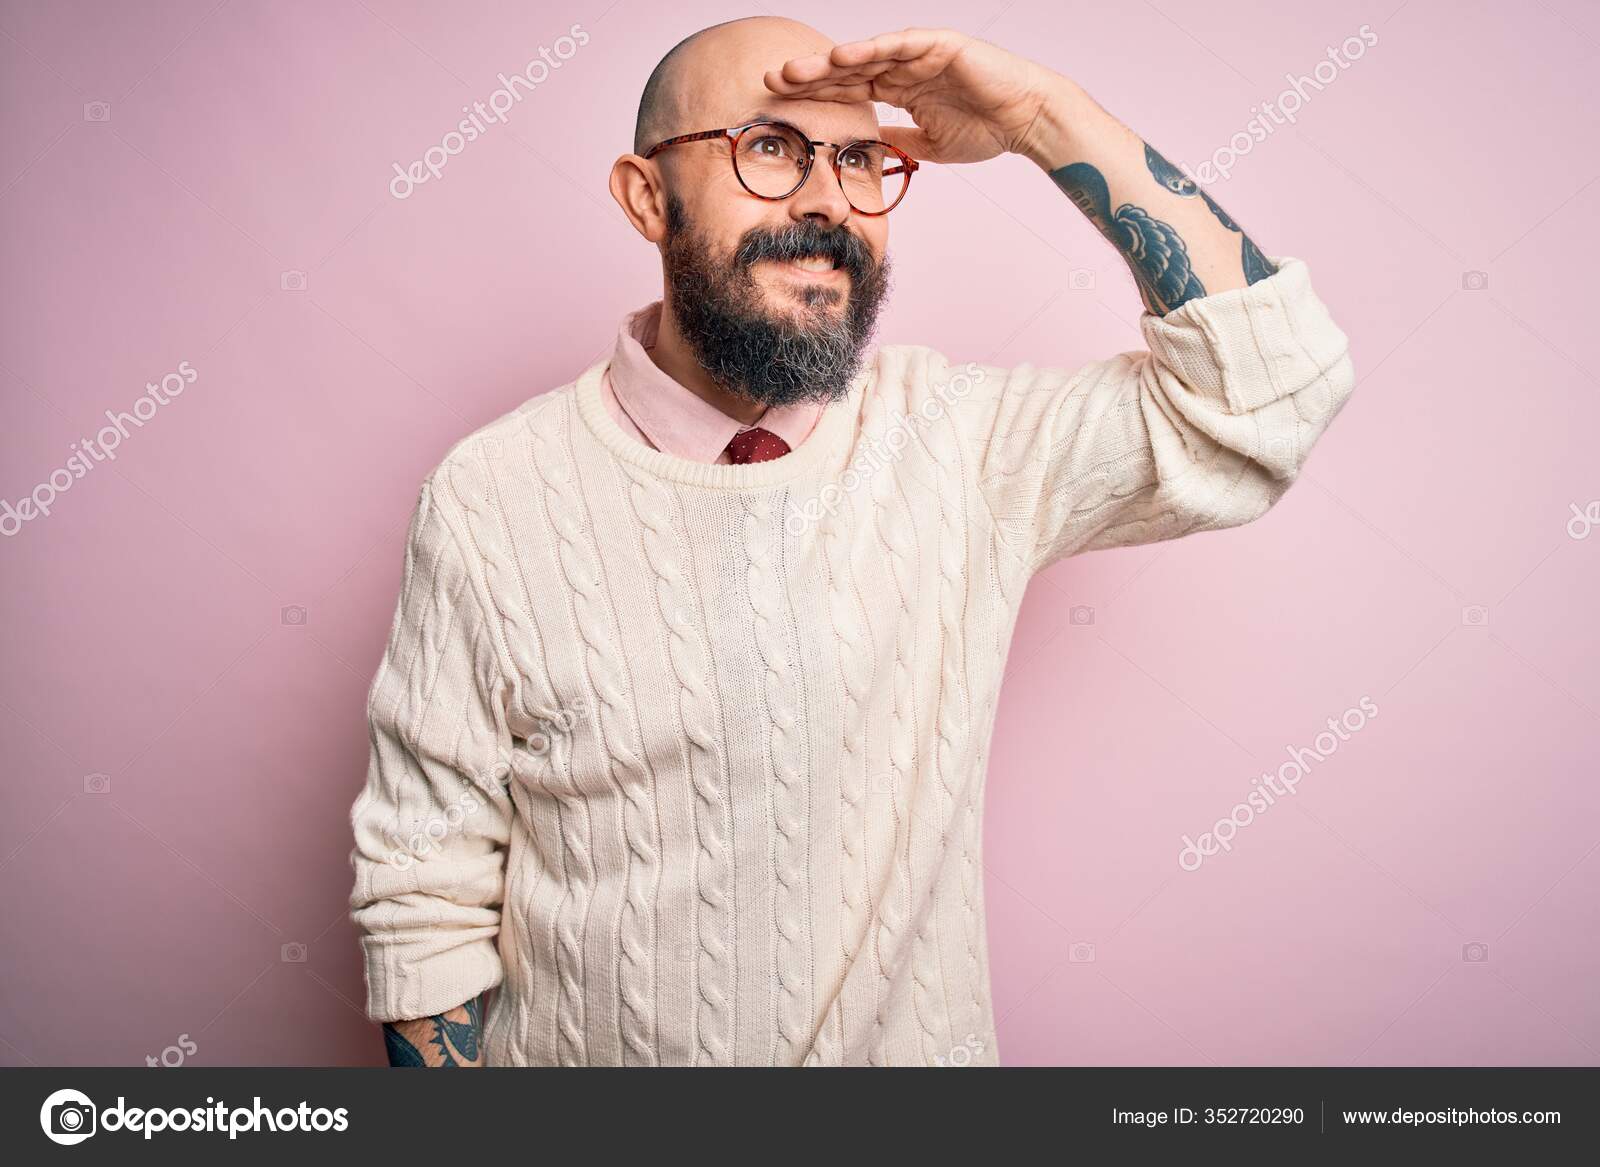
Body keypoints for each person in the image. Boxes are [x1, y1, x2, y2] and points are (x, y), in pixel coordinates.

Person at [350, 16, 1354, 1067]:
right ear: (648, 196)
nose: (829, 201)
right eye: (770, 147)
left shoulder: (961, 444)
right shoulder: (491, 495)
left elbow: (1270, 397)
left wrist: (1040, 117)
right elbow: (422, 897)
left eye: (862, 159)